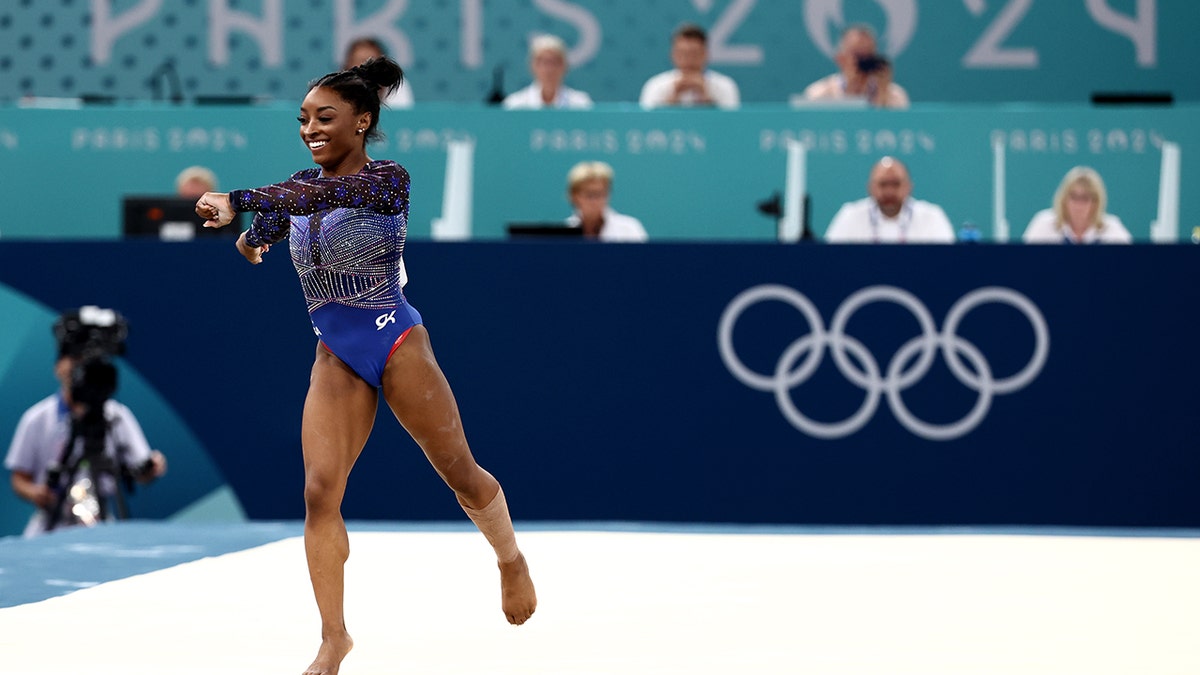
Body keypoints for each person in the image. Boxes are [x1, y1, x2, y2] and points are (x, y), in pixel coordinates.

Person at [193, 56, 536, 675]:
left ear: (363, 120)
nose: (310, 128)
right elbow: (270, 224)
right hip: (334, 351)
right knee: (319, 492)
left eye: (325, 117)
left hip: (395, 339)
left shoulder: (386, 181)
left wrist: (238, 200)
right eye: (303, 119)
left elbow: (309, 196)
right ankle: (334, 637)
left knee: (461, 474)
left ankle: (509, 557)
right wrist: (248, 236)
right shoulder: (300, 187)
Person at [5, 310, 167, 538]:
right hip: (50, 527)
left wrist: (152, 468)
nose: (81, 371)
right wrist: (36, 493)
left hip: (101, 526)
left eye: (88, 364)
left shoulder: (117, 417)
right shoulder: (36, 418)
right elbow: (19, 479)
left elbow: (141, 472)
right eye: (74, 361)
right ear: (58, 367)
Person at [825, 156, 955, 243]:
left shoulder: (932, 216)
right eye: (883, 184)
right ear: (870, 188)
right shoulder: (850, 215)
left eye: (895, 184)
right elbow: (830, 258)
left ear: (908, 187)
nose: (889, 191)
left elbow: (947, 260)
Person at [803, 24, 909, 109]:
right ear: (840, 59)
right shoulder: (819, 95)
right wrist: (851, 89)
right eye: (858, 55)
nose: (864, 61)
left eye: (868, 55)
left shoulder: (894, 95)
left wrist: (882, 95)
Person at [639, 23, 740, 109]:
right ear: (673, 55)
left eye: (694, 53)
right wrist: (673, 98)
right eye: (683, 54)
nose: (688, 60)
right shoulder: (655, 86)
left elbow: (732, 123)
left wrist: (706, 97)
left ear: (705, 54)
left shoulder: (725, 86)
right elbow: (647, 124)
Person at [1023, 166, 1133, 244]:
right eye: (1073, 197)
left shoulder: (1111, 230)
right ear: (1064, 199)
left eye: (1085, 198)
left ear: (1096, 202)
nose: (1078, 204)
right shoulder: (1044, 225)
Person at [503, 34, 593, 110]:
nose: (549, 69)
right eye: (543, 62)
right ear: (533, 66)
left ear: (565, 66)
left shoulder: (581, 104)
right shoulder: (515, 105)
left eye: (554, 62)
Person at [564, 161, 648, 242]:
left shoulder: (629, 229)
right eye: (590, 194)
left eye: (600, 194)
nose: (595, 201)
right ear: (574, 196)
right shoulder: (564, 232)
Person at [343, 37, 413, 108]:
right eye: (359, 61)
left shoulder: (397, 87)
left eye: (372, 62)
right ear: (347, 66)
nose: (366, 68)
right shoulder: (336, 89)